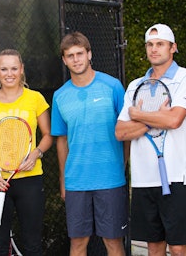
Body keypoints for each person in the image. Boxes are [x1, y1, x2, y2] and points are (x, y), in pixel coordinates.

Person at [115, 23, 186, 256]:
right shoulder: (135, 85)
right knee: (153, 246)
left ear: (173, 48)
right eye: (150, 45)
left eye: (160, 44)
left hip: (178, 177)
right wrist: (156, 117)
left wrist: (138, 115)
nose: (154, 49)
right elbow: (121, 132)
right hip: (144, 179)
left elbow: (174, 120)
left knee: (179, 246)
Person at [51, 31, 128, 256]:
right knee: (77, 244)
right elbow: (61, 141)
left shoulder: (112, 86)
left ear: (89, 54)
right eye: (70, 55)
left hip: (110, 179)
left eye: (80, 53)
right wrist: (63, 180)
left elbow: (126, 132)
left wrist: (120, 165)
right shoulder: (60, 96)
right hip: (76, 182)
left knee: (113, 242)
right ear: (64, 60)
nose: (76, 59)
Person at [0, 48, 53, 255]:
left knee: (33, 243)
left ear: (22, 70)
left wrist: (36, 153)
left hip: (30, 181)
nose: (9, 73)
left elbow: (48, 135)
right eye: (4, 69)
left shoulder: (35, 99)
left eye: (14, 68)